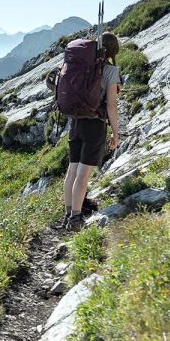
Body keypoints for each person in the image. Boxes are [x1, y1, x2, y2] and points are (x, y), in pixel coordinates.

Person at [62, 32, 121, 228]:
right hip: (95, 124)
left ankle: (68, 213)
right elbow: (111, 104)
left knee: (72, 171)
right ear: (114, 50)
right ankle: (76, 218)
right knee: (83, 174)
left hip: (76, 122)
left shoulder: (84, 66)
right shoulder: (111, 70)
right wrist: (115, 132)